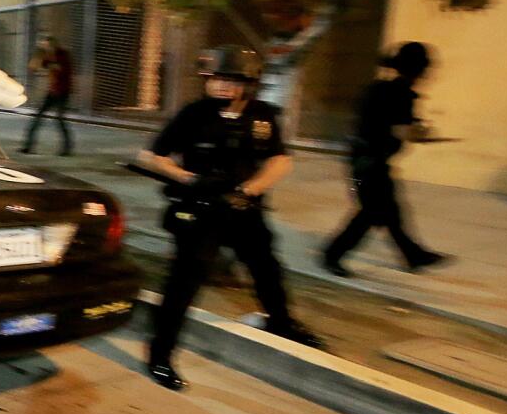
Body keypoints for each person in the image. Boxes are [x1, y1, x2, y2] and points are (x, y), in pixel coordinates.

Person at [134, 45, 324, 390]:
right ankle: (160, 355)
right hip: (201, 209)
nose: (222, 86)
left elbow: (280, 160)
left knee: (267, 269)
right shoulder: (193, 114)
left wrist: (252, 188)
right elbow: (151, 155)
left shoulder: (263, 115)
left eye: (232, 80)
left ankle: (282, 323)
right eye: (217, 79)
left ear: (248, 83)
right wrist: (189, 179)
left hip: (243, 209)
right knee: (184, 283)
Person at [321, 41, 449, 276]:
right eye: (424, 69)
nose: (427, 74)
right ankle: (331, 255)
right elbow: (401, 130)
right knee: (371, 212)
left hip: (362, 161)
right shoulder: (401, 93)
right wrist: (423, 135)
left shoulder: (379, 88)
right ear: (417, 70)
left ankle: (414, 255)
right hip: (370, 164)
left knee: (391, 211)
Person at [21, 35, 74, 155]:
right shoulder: (47, 56)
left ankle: (67, 148)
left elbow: (60, 68)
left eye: (47, 46)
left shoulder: (62, 54)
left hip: (63, 92)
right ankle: (28, 146)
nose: (46, 48)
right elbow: (33, 67)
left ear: (52, 44)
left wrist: (48, 61)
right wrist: (39, 53)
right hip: (52, 92)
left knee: (60, 120)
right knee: (37, 118)